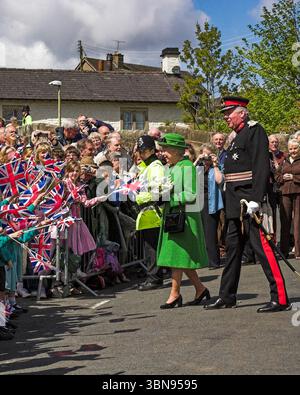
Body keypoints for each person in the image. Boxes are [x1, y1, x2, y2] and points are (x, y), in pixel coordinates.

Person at [205, 96, 290, 313]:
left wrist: (256, 198)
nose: (225, 117)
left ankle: (280, 298)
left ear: (242, 112)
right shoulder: (235, 137)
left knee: (263, 249)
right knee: (233, 250)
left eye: (228, 112)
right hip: (235, 202)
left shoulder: (255, 131)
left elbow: (260, 167)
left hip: (249, 200)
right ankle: (227, 296)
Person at [157, 133, 209, 309]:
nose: (163, 152)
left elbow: (192, 194)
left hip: (184, 219)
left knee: (176, 257)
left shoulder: (187, 167)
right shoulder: (171, 167)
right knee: (180, 257)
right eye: (162, 149)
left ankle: (175, 294)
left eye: (166, 149)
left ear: (178, 151)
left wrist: (169, 197)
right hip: (173, 217)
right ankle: (200, 289)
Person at [134, 136, 166, 291]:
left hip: (152, 209)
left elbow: (159, 188)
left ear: (152, 150)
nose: (141, 154)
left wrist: (141, 194)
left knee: (152, 247)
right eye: (140, 151)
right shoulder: (147, 165)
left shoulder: (156, 166)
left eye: (144, 151)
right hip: (147, 210)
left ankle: (154, 278)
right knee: (149, 246)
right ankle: (154, 276)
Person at [195, 144, 224, 270]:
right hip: (198, 201)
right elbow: (187, 174)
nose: (206, 157)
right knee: (200, 232)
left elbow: (219, 180)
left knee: (210, 232)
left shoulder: (215, 167)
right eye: (204, 154)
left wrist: (215, 164)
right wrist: (197, 159)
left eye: (208, 154)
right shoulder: (199, 167)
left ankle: (214, 261)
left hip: (211, 201)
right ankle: (204, 259)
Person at [275, 139, 300, 260]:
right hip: (285, 194)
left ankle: (298, 252)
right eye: (291, 148)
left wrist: (294, 177)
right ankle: (284, 252)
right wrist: (283, 178)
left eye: (295, 148)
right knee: (285, 221)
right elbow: (276, 175)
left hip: (298, 193)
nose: (293, 151)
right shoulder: (284, 161)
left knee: (298, 222)